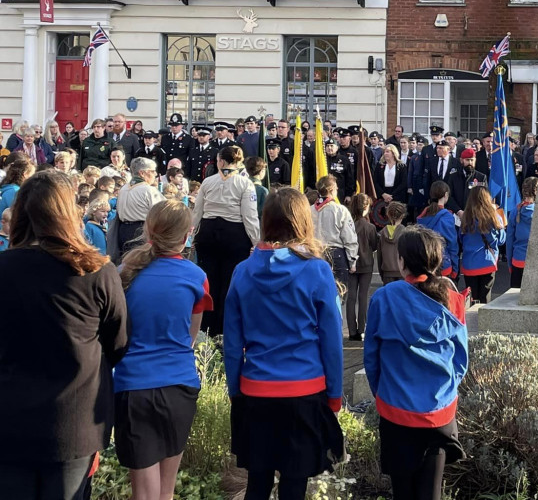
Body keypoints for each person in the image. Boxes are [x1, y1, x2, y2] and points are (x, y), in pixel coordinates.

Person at [0, 171, 129, 499]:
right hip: (74, 422)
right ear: (68, 214)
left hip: (11, 419)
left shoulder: (5, 267)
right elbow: (118, 344)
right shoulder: (97, 272)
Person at [224, 189, 346, 500]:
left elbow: (232, 341)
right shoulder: (317, 269)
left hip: (256, 388)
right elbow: (331, 339)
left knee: (258, 481)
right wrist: (334, 393)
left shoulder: (242, 271)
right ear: (303, 221)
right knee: (295, 484)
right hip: (304, 390)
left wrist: (235, 390)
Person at [113, 201, 212, 500]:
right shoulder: (197, 277)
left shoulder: (124, 273)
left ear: (147, 230)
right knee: (165, 492)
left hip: (134, 386)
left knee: (143, 494)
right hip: (179, 386)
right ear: (188, 235)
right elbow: (190, 339)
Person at [364, 226, 468, 500]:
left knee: (402, 492)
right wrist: (446, 393)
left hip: (396, 410)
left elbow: (371, 359)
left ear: (402, 261)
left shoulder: (383, 298)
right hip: (439, 413)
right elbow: (461, 360)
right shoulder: (453, 300)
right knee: (431, 492)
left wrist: (383, 394)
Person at [192, 145, 260, 335]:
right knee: (230, 282)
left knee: (209, 279)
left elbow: (197, 212)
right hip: (234, 233)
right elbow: (250, 216)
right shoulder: (245, 184)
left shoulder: (207, 182)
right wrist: (256, 241)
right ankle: (225, 328)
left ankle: (206, 328)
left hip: (208, 231)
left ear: (221, 161)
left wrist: (191, 235)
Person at [111, 157, 165, 262]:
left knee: (126, 262)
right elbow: (162, 212)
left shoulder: (124, 188)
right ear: (142, 173)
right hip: (140, 231)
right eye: (152, 171)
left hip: (122, 230)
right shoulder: (148, 190)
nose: (155, 174)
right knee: (140, 264)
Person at [459, 185, 506, 304]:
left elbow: (460, 238)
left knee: (471, 300)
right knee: (485, 300)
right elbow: (501, 240)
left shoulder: (466, 217)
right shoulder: (492, 217)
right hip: (486, 262)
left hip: (469, 263)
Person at [312, 175, 358, 291]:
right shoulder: (340, 210)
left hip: (314, 253)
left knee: (316, 293)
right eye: (336, 188)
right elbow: (349, 238)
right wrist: (352, 260)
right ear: (331, 190)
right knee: (337, 294)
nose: (337, 190)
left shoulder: (308, 209)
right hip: (335, 255)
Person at [346, 193, 378, 341]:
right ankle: (362, 328)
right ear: (366, 208)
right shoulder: (370, 227)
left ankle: (352, 330)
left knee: (350, 297)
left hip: (350, 262)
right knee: (363, 296)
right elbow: (374, 246)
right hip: (366, 264)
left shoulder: (348, 224)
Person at [417, 181, 460, 279]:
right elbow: (452, 245)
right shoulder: (447, 217)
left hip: (425, 265)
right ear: (446, 195)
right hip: (443, 265)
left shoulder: (423, 216)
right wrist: (455, 269)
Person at [510, 176, 538, 288]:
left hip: (518, 259)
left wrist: (510, 263)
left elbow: (509, 240)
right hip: (536, 260)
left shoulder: (515, 211)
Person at [377, 201, 408, 285]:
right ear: (402, 215)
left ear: (388, 215)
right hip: (402, 272)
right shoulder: (406, 233)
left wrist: (381, 272)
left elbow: (379, 255)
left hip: (387, 272)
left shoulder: (382, 233)